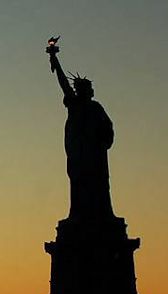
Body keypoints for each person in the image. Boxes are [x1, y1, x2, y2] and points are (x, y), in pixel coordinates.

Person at [50, 46, 116, 220]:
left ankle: (102, 214)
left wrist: (104, 140)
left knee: (99, 184)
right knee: (80, 183)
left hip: (95, 153)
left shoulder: (96, 108)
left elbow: (108, 127)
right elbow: (63, 83)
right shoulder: (74, 104)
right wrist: (54, 60)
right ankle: (79, 214)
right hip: (80, 152)